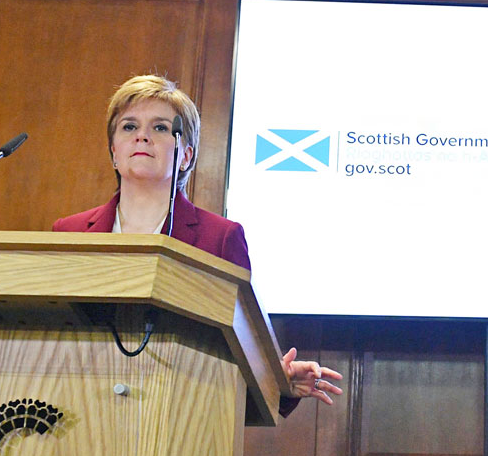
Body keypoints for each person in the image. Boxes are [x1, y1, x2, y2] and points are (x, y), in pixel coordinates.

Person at [54, 75, 342, 414]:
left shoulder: (219, 238)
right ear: (114, 151)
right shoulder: (70, 232)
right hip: (80, 411)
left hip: (180, 416)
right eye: (129, 127)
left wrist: (278, 381)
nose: (142, 136)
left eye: (161, 128)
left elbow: (241, 351)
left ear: (186, 156)